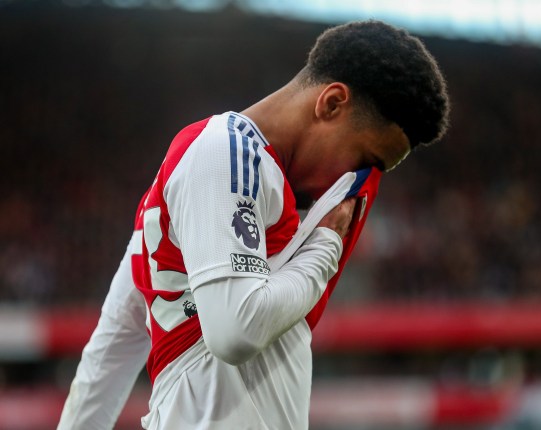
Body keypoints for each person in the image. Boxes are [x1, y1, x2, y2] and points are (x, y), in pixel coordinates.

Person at [57, 19, 449, 429]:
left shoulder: (242, 179)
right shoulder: (226, 153)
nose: (357, 186)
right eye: (365, 162)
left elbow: (111, 350)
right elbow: (235, 330)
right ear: (331, 103)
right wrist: (326, 247)